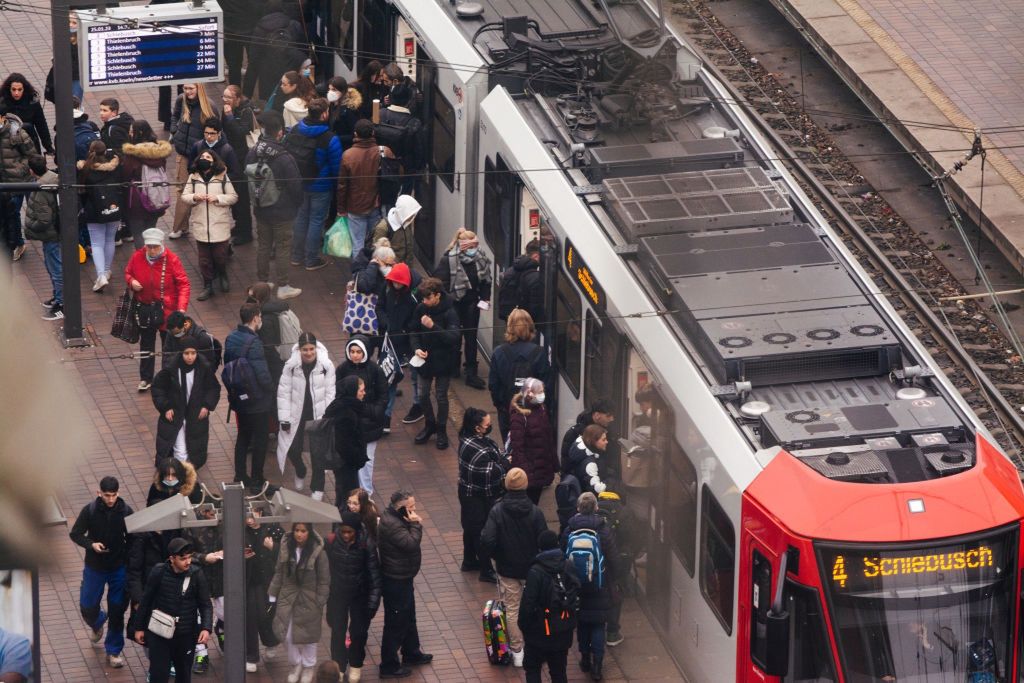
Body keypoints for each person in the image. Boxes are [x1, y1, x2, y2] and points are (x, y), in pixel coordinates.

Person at [480, 467, 548, 667]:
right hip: (532, 569)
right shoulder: (535, 512)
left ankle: (517, 651)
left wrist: (496, 557)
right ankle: (535, 647)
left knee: (512, 608)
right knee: (535, 607)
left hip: (507, 569)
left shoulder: (497, 511)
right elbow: (543, 540)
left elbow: (487, 540)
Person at [69, 476, 133, 669]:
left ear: (118, 493)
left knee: (117, 611)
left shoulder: (126, 512)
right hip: (95, 567)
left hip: (118, 568)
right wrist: (91, 544)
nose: (111, 499)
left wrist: (129, 561)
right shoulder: (90, 511)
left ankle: (113, 651)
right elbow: (76, 533)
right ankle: (97, 621)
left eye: (114, 495)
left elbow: (134, 538)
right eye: (107, 495)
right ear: (99, 493)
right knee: (87, 606)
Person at [134, 537, 213, 683]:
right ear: (172, 558)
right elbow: (146, 601)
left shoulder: (196, 574)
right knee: (159, 675)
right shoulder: (158, 572)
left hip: (186, 634)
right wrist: (138, 628)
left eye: (189, 557)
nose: (188, 562)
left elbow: (205, 604)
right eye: (183, 558)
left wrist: (206, 628)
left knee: (183, 675)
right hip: (160, 634)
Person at [124, 228, 191, 391]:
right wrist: (131, 282)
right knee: (146, 344)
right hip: (146, 309)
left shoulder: (172, 260)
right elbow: (128, 273)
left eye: (155, 246)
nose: (152, 250)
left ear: (161, 245)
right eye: (149, 246)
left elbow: (183, 284)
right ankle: (146, 378)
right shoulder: (137, 257)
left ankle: (167, 379)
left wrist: (181, 309)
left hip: (167, 311)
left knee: (168, 347)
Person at [246, 111, 303, 298]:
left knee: (263, 245)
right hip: (283, 210)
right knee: (283, 246)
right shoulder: (284, 156)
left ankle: (263, 282)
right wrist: (296, 204)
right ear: (279, 132)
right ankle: (283, 286)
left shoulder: (254, 151)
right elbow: (296, 185)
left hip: (260, 207)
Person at [561, 492, 617, 681]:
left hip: (577, 586)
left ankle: (584, 659)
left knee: (583, 623)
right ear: (596, 508)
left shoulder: (570, 529)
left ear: (578, 508)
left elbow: (563, 555)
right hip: (599, 585)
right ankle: (597, 666)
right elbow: (612, 557)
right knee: (599, 624)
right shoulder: (603, 529)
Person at [377, 490, 432, 678]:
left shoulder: (395, 519)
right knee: (395, 621)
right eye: (411, 508)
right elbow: (410, 544)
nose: (414, 510)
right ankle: (389, 665)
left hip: (403, 576)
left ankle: (411, 652)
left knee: (408, 616)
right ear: (400, 509)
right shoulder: (392, 524)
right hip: (395, 580)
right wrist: (416, 524)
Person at [268, 522, 330, 683]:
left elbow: (324, 580)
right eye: (296, 530)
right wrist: (273, 594)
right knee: (287, 635)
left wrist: (320, 600)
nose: (299, 534)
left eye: (303, 531)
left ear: (309, 533)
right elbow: (279, 572)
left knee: (309, 636)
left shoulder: (319, 553)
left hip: (309, 598)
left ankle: (309, 666)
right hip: (288, 595)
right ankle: (296, 664)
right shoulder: (286, 548)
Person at [277, 332, 336, 497]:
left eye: (311, 349)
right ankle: (300, 469)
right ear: (299, 350)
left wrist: (327, 416)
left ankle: (317, 487)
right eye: (305, 349)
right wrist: (284, 418)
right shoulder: (291, 367)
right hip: (297, 415)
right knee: (292, 449)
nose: (309, 353)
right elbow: (284, 393)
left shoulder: (326, 366)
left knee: (318, 453)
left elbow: (331, 393)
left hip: (319, 416)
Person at [326, 510, 382, 683]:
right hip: (338, 595)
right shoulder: (331, 542)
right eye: (343, 531)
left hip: (360, 596)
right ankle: (339, 667)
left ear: (357, 531)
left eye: (350, 532)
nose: (346, 535)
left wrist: (373, 603)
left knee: (358, 633)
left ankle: (356, 665)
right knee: (337, 633)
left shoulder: (367, 544)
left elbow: (374, 575)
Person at [434, 228, 493, 389]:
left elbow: (486, 281)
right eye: (472, 247)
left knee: (471, 337)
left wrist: (485, 299)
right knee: (454, 336)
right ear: (464, 247)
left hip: (472, 303)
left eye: (476, 246)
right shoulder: (449, 260)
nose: (475, 250)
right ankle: (453, 366)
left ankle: (471, 372)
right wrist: (449, 300)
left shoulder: (480, 258)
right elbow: (440, 284)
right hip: (454, 304)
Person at [519, 529, 580, 683]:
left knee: (532, 668)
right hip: (562, 630)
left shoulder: (535, 571)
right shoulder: (568, 565)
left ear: (539, 547)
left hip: (539, 632)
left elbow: (528, 604)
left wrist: (525, 627)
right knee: (559, 672)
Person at [151, 336, 221, 469]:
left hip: (195, 417)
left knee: (192, 450)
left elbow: (213, 388)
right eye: (186, 353)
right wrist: (166, 407)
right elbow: (158, 388)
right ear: (181, 353)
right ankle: (180, 478)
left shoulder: (203, 368)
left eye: (193, 353)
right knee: (180, 451)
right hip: (176, 416)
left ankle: (183, 476)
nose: (190, 357)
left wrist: (207, 406)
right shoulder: (171, 370)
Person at [225, 302, 275, 487]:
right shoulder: (254, 343)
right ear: (255, 318)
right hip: (257, 401)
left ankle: (240, 476)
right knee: (260, 439)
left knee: (243, 436)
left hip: (238, 397)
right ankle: (257, 479)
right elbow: (262, 373)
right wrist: (270, 389)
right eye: (259, 316)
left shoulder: (231, 338)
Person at [408, 277, 461, 450]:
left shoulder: (450, 311)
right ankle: (430, 424)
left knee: (441, 396)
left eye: (428, 298)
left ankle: (441, 429)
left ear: (437, 296)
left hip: (444, 360)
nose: (424, 302)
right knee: (422, 394)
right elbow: (413, 330)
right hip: (425, 359)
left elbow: (454, 337)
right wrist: (416, 348)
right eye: (423, 298)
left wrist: (433, 327)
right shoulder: (421, 308)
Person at [288, 97, 340, 271]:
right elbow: (336, 167)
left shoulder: (296, 129)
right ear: (324, 114)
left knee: (301, 218)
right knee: (317, 220)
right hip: (321, 186)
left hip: (299, 183)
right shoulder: (330, 138)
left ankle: (296, 256)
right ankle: (311, 259)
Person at [457, 408, 508, 583]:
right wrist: (505, 464)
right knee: (480, 532)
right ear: (477, 428)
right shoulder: (475, 448)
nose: (490, 426)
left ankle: (469, 560)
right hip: (475, 495)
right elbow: (490, 472)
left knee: (470, 527)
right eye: (487, 424)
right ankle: (486, 569)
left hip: (471, 492)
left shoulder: (472, 440)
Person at [182, 148, 238, 300]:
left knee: (220, 255)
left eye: (208, 157)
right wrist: (195, 197)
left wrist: (218, 198)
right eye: (202, 156)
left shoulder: (222, 177)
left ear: (214, 161)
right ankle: (208, 285)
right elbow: (184, 196)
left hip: (218, 223)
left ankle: (222, 274)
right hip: (201, 224)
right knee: (204, 260)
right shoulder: (193, 177)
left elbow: (233, 197)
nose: (204, 159)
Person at [335, 336, 389, 493]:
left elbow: (383, 395)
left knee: (367, 460)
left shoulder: (375, 370)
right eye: (352, 351)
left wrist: (373, 412)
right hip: (351, 423)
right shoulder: (342, 369)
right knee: (352, 458)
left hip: (369, 423)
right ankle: (355, 490)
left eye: (358, 351)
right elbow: (337, 394)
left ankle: (366, 492)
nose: (355, 355)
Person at [490, 309, 549, 439]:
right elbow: (546, 384)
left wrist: (501, 406)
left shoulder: (499, 352)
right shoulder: (539, 352)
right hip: (532, 411)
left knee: (510, 446)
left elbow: (493, 384)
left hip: (508, 409)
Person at [169, 83, 218, 239]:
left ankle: (200, 228)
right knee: (183, 191)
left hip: (201, 157)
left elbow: (217, 129)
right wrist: (174, 131)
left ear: (199, 88)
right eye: (185, 88)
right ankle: (180, 227)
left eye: (191, 88)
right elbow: (175, 115)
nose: (188, 92)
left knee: (201, 192)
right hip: (183, 155)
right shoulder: (180, 100)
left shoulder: (209, 106)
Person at [380, 262, 424, 427]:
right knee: (389, 377)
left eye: (399, 283)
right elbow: (380, 307)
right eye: (394, 283)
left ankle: (418, 404)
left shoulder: (415, 295)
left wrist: (406, 330)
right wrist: (387, 324)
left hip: (409, 341)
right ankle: (386, 418)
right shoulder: (387, 288)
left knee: (414, 374)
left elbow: (417, 317)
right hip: (393, 339)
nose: (396, 286)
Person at [337, 119, 391, 251]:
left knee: (357, 244)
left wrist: (341, 209)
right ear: (373, 133)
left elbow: (342, 186)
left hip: (355, 206)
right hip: (376, 203)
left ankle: (358, 271)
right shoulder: (383, 151)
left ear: (355, 134)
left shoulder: (348, 155)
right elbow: (397, 173)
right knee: (375, 242)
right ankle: (374, 268)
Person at [77, 140, 123, 292]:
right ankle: (107, 270)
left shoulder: (86, 169)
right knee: (110, 239)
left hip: (93, 210)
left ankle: (101, 275)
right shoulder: (115, 167)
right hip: (114, 208)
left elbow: (81, 191)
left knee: (97, 243)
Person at [121, 120, 173, 248]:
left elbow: (125, 176)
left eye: (132, 131)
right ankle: (153, 260)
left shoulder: (132, 154)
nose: (130, 133)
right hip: (156, 197)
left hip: (137, 200)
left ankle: (143, 263)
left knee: (138, 234)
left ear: (138, 133)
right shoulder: (159, 152)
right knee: (150, 232)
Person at [244, 507, 284, 672]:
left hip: (267, 581)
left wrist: (273, 547)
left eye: (254, 514)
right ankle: (252, 655)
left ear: (261, 513)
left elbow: (286, 555)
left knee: (265, 613)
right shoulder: (240, 531)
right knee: (250, 617)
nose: (250, 519)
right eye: (247, 515)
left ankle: (270, 641)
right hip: (247, 580)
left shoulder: (273, 529)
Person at [24, 155, 63, 320]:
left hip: (51, 235)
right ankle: (58, 297)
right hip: (57, 231)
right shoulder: (54, 178)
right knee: (54, 266)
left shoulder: (41, 190)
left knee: (55, 269)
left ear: (31, 171)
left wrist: (30, 226)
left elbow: (44, 219)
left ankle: (62, 304)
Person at [509, 378, 559, 505]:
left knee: (534, 501)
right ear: (529, 393)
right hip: (530, 471)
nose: (542, 395)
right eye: (540, 392)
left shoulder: (541, 408)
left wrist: (554, 464)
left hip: (540, 467)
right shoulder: (519, 416)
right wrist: (527, 475)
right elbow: (517, 448)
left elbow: (548, 439)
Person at [245, 1, 306, 101]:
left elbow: (253, 61)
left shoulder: (260, 28)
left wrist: (246, 95)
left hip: (267, 76)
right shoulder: (294, 25)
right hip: (289, 73)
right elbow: (302, 49)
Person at [376, 78, 425, 198]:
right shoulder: (414, 122)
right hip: (405, 168)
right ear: (408, 101)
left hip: (381, 165)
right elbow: (418, 151)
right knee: (402, 199)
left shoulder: (379, 113)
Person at [220, 85, 256, 245]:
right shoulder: (228, 110)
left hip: (243, 159)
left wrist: (229, 117)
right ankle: (238, 225)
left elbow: (240, 133)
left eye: (228, 97)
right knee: (232, 192)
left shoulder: (246, 111)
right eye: (224, 96)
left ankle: (246, 232)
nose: (225, 100)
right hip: (230, 156)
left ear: (238, 99)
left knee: (242, 196)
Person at [323, 376, 368, 504]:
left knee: (342, 492)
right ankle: (344, 520)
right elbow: (344, 443)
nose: (364, 393)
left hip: (342, 462)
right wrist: (357, 458)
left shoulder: (340, 405)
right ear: (353, 391)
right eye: (361, 390)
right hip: (347, 463)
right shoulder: (347, 413)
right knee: (348, 496)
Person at [0, 105, 35, 261]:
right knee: (10, 213)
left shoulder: (17, 133)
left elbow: (32, 155)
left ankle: (17, 243)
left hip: (18, 180)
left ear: (3, 118)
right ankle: (16, 243)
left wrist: (20, 169)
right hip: (3, 183)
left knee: (15, 211)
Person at [246, 281, 296, 386]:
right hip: (277, 355)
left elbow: (268, 345)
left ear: (258, 296)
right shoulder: (273, 304)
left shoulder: (265, 319)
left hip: (272, 359)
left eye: (253, 296)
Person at [561, 400, 620, 483]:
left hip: (603, 483)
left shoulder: (608, 431)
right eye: (608, 415)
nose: (612, 419)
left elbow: (612, 457)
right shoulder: (574, 434)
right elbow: (567, 465)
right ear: (597, 415)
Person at [0, 73, 52, 155]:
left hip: (30, 143)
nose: (16, 93)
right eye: (13, 89)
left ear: (24, 89)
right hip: (9, 146)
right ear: (9, 89)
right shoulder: (2, 104)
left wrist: (48, 146)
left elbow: (41, 125)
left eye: (19, 89)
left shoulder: (32, 103)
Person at [500, 239, 545, 323]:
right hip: (525, 322)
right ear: (536, 256)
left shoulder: (511, 270)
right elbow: (535, 308)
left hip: (511, 317)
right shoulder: (535, 277)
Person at [371, 193, 420, 266]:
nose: (412, 218)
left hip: (404, 268)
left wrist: (409, 268)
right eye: (410, 215)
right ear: (403, 213)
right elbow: (378, 254)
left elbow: (409, 247)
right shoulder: (383, 227)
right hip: (391, 271)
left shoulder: (406, 223)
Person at [564, 424, 611, 497]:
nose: (606, 442)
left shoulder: (581, 451)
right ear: (593, 441)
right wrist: (611, 484)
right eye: (603, 440)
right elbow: (597, 489)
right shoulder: (590, 463)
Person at [327, 76, 361, 149]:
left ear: (342, 91)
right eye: (329, 89)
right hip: (333, 144)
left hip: (344, 147)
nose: (330, 92)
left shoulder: (349, 109)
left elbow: (354, 134)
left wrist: (336, 138)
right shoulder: (332, 105)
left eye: (334, 90)